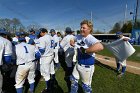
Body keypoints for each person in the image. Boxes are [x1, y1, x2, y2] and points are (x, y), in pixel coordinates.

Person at [70, 20, 104, 93]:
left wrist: (85, 50)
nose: (81, 29)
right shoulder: (79, 36)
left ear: (89, 29)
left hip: (87, 67)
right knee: (73, 80)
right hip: (78, 64)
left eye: (84, 28)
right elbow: (72, 38)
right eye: (81, 27)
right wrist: (72, 42)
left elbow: (100, 46)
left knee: (86, 87)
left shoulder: (89, 38)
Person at [38, 28, 54, 93]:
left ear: (42, 32)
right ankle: (53, 83)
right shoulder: (51, 37)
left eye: (40, 32)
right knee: (52, 71)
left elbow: (42, 50)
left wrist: (37, 48)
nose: (40, 34)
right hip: (51, 55)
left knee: (46, 74)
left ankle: (48, 89)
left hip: (46, 57)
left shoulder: (42, 38)